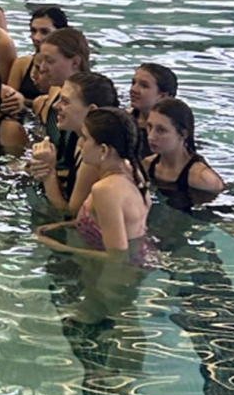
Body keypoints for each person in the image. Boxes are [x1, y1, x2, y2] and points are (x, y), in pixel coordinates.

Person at [36, 109, 152, 267]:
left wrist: (56, 246)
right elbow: (116, 226)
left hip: (108, 279)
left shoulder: (105, 190)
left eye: (85, 138)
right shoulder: (134, 171)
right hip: (138, 263)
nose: (79, 143)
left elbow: (117, 257)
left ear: (103, 150)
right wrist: (62, 226)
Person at [28, 72, 120, 213]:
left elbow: (70, 214)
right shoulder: (80, 139)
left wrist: (48, 173)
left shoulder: (96, 154)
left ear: (91, 110)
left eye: (65, 102)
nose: (55, 106)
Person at [29, 28, 92, 177]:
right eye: (42, 60)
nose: (43, 68)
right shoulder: (55, 94)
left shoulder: (89, 105)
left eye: (50, 61)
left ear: (75, 62)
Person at [145, 98, 225, 208]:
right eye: (149, 127)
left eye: (161, 130)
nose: (151, 136)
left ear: (183, 134)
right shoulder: (147, 165)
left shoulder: (202, 178)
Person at [8, 6, 71, 102]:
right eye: (33, 31)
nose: (36, 37)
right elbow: (8, 99)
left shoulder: (67, 68)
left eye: (44, 32)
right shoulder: (22, 64)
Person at [129, 62, 179, 157]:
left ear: (163, 96)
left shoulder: (176, 132)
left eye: (144, 85)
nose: (133, 89)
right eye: (133, 83)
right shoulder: (123, 120)